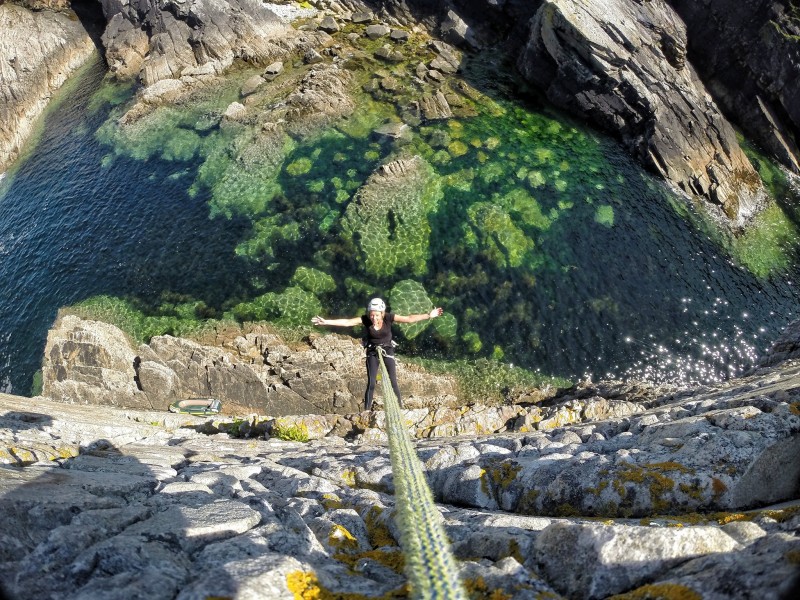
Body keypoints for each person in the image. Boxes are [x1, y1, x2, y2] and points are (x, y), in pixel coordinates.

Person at [312, 298, 444, 411]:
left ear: (382, 313)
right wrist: (326, 322)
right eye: (371, 315)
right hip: (373, 352)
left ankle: (399, 409)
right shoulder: (366, 319)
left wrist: (428, 315)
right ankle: (366, 411)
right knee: (372, 382)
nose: (373, 318)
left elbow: (409, 319)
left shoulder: (388, 317)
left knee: (393, 382)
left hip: (387, 350)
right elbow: (347, 322)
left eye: (376, 315)